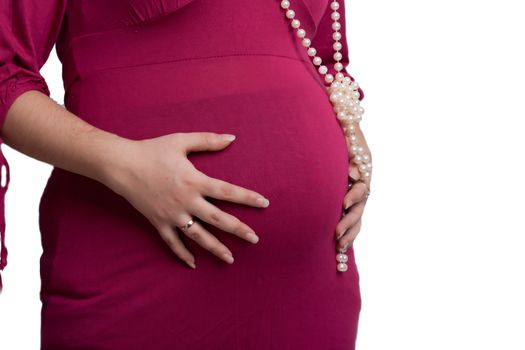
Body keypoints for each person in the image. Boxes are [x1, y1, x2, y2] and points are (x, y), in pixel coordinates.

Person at [0, 0, 372, 348]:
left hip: (311, 281)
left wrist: (352, 146)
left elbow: (322, 60)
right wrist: (126, 163)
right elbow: (5, 75)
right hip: (138, 267)